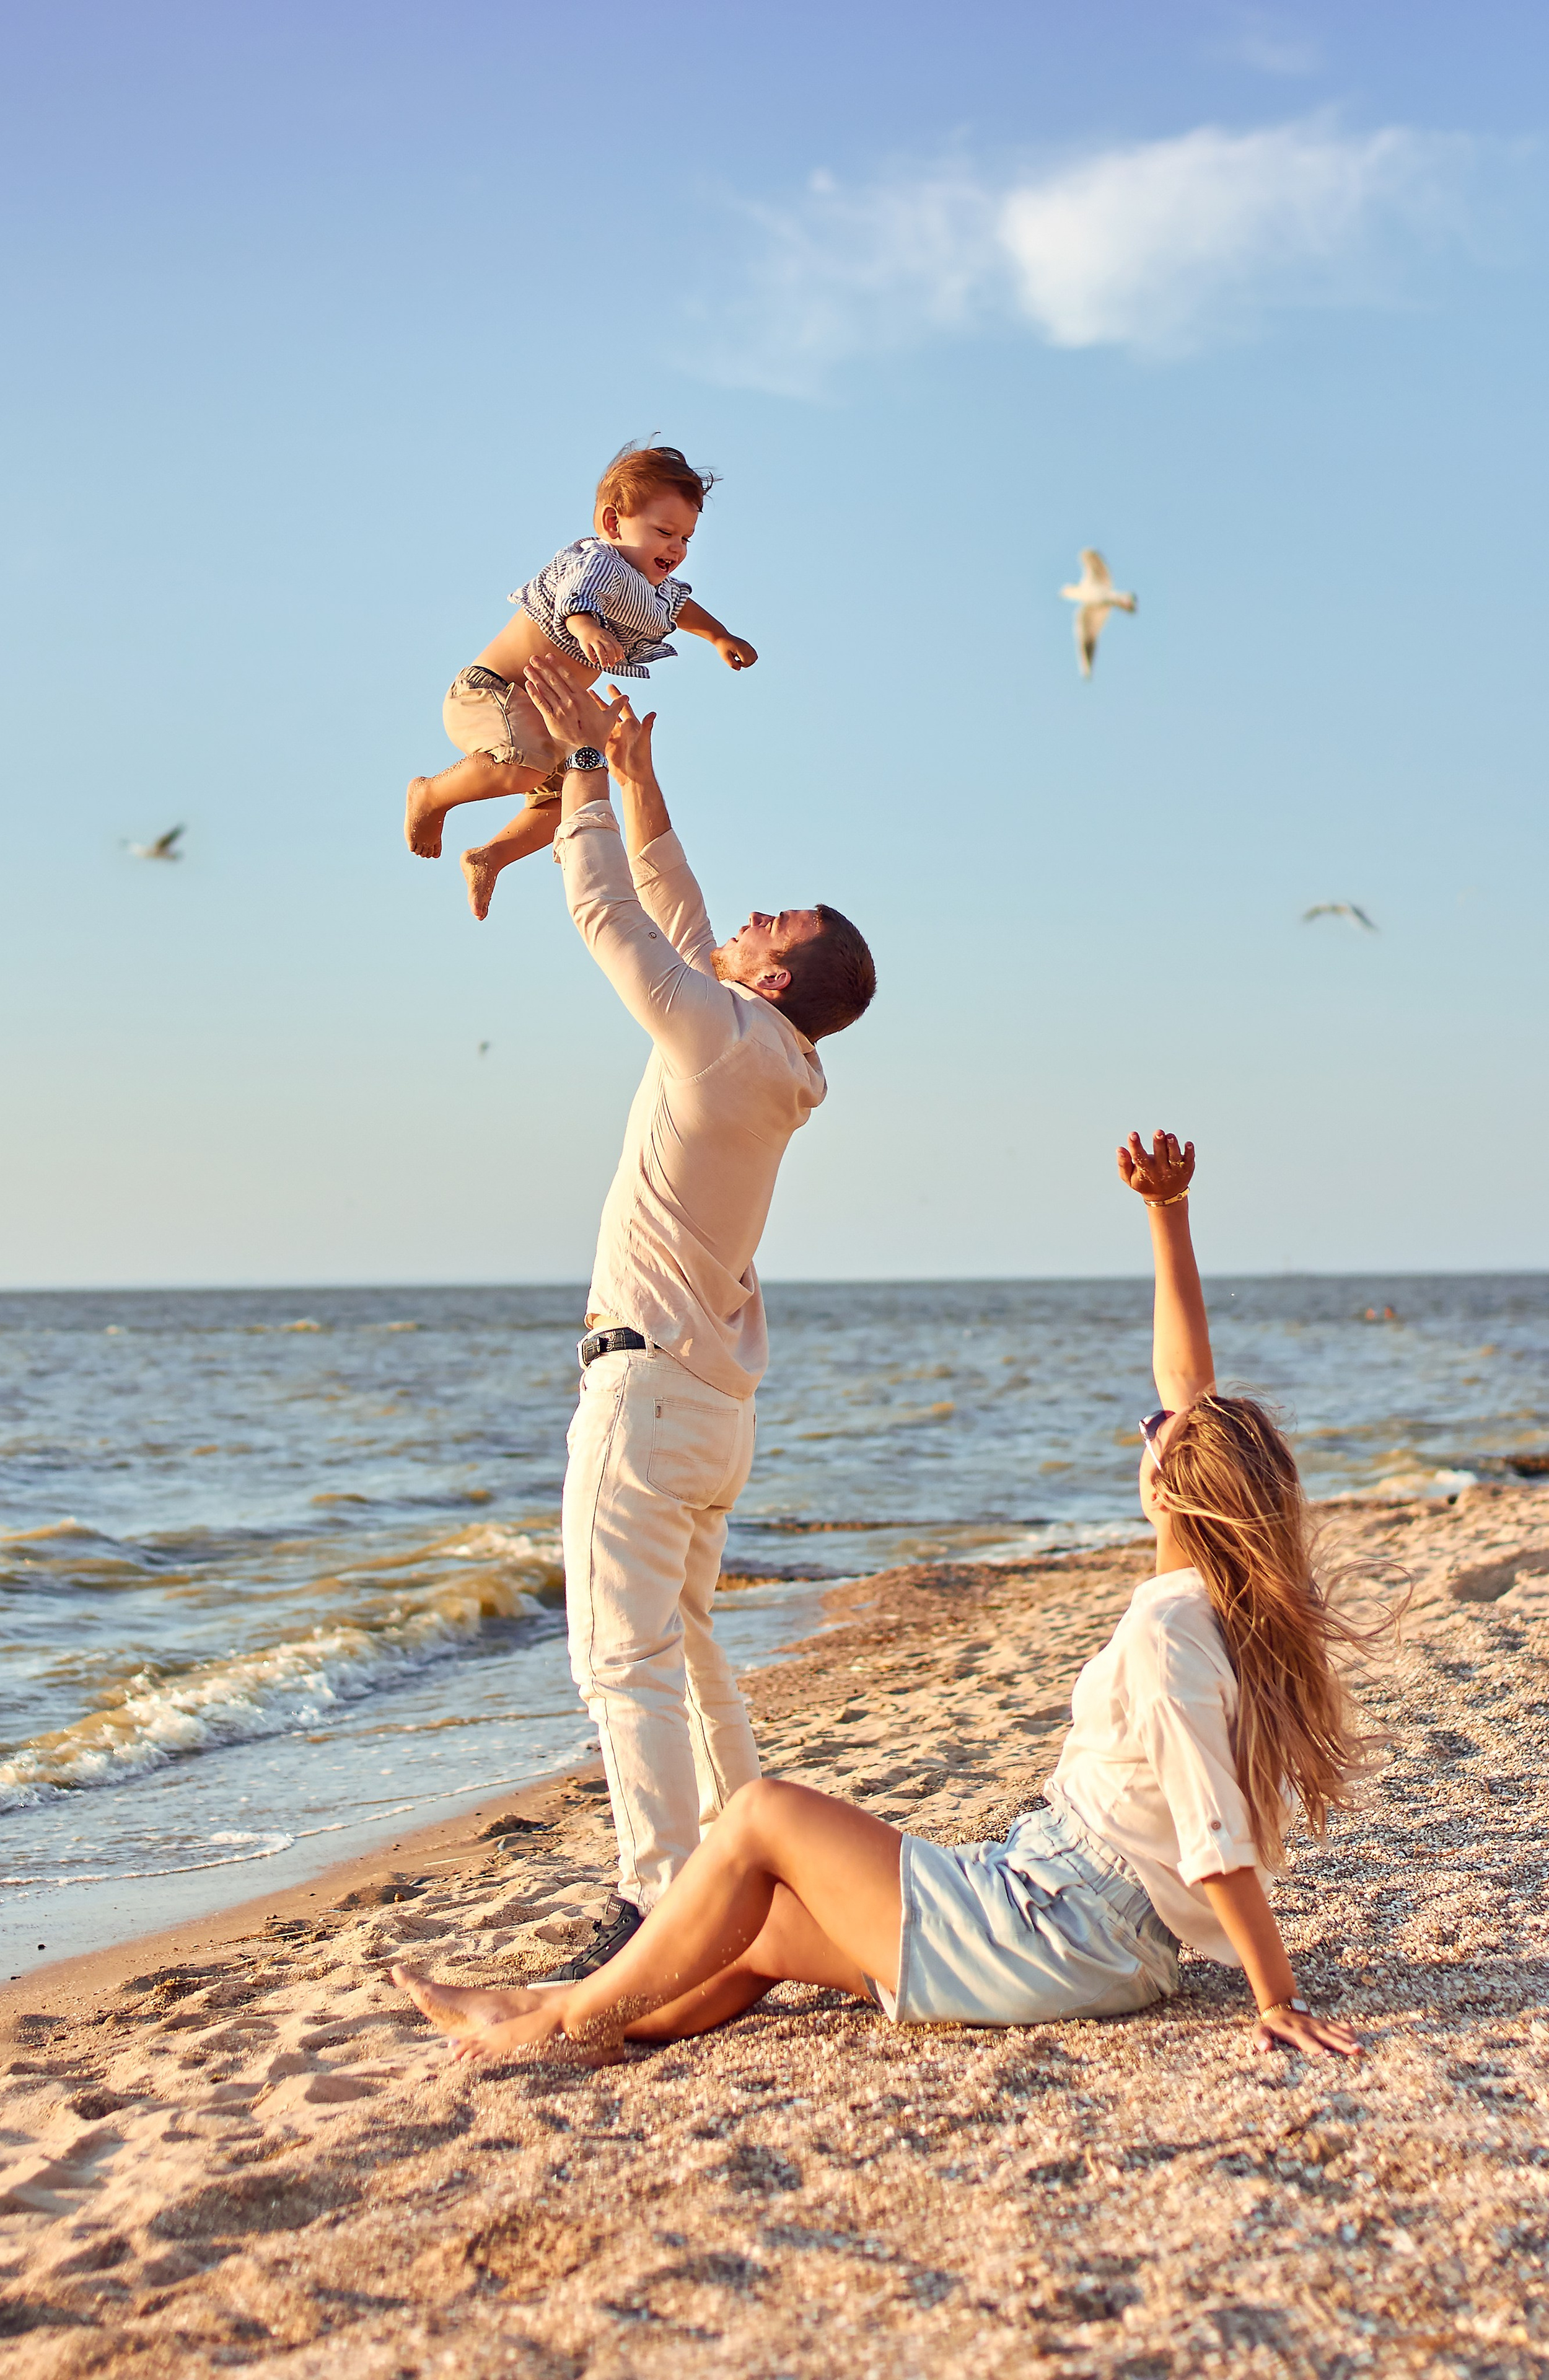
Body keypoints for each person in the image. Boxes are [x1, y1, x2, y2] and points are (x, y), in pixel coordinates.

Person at [395, 1129, 1377, 2060]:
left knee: (759, 1815)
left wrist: (1277, 2000)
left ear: (1167, 1490)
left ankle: (555, 2021)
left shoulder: (1169, 1629)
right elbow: (1188, 1385)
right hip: (1085, 1924)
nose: (1153, 1425)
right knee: (763, 1928)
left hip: (1061, 1924)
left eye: (1156, 1434)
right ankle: (571, 2018)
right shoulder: (1222, 1600)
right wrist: (1169, 1214)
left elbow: (1215, 1837)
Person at [504, 655, 875, 1980]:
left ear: (771, 981)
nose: (752, 915)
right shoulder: (771, 1054)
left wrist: (581, 772)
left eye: (776, 923)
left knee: (625, 1664)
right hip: (706, 1412)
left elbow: (611, 917)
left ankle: (663, 1903)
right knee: (689, 1651)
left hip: (652, 1393)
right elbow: (683, 919)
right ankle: (736, 1876)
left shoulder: (724, 1040)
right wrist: (640, 782)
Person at [404, 444, 758, 920]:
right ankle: (429, 794)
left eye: (686, 538)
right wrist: (586, 626)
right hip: (491, 692)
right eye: (665, 532)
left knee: (570, 798)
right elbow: (578, 595)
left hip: (537, 717)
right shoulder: (598, 561)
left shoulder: (651, 589)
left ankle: (490, 857)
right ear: (613, 523)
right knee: (524, 768)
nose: (677, 548)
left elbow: (680, 608)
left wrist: (718, 635)